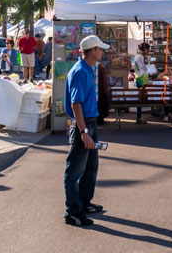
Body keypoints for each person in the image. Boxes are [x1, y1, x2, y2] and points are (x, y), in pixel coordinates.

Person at [63, 35, 111, 226]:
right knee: (74, 171)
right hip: (83, 125)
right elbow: (76, 105)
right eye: (100, 49)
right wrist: (83, 132)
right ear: (92, 51)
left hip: (89, 122)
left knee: (91, 167)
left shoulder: (88, 69)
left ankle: (84, 203)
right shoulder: (81, 71)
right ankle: (73, 212)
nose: (102, 52)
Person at [132, 43, 150, 124]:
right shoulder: (143, 57)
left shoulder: (136, 56)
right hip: (143, 79)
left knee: (139, 98)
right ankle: (139, 117)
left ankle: (139, 116)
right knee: (141, 99)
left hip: (137, 78)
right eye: (148, 49)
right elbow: (147, 67)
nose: (149, 51)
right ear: (145, 49)